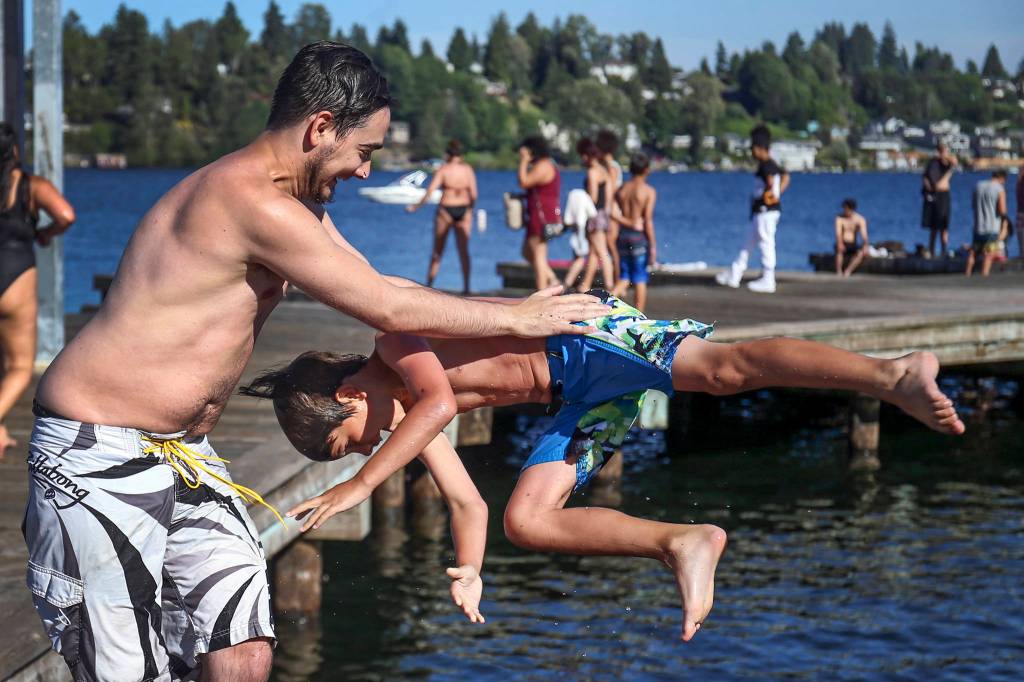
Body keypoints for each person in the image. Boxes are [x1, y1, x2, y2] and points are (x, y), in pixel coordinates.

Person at [22, 42, 609, 682]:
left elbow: (381, 284)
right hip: (96, 451)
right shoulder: (247, 201)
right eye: (365, 152)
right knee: (122, 670)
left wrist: (513, 308)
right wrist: (514, 321)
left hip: (183, 453)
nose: (363, 172)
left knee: (243, 649)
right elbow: (385, 309)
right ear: (320, 127)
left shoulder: (295, 203)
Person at [245, 291, 964, 643]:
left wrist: (363, 484)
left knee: (723, 372)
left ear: (347, 397)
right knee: (527, 520)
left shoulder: (396, 341)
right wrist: (471, 566)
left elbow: (436, 401)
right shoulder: (411, 421)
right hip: (577, 402)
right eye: (361, 456)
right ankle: (681, 541)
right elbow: (470, 506)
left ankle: (889, 373)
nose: (371, 451)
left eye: (353, 442)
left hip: (584, 343)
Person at [0, 123, 75, 457]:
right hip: (14, 281)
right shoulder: (30, 186)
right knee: (18, 367)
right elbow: (66, 214)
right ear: (14, 151)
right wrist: (44, 234)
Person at [715, 125, 789, 294]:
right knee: (747, 244)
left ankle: (768, 278)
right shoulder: (771, 165)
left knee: (766, 242)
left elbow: (772, 183)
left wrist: (770, 196)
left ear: (760, 148)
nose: (752, 152)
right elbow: (785, 178)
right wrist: (775, 193)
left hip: (766, 211)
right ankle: (735, 274)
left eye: (753, 148)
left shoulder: (767, 166)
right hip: (761, 211)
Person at [407, 139, 477, 294]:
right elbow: (474, 194)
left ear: (448, 154)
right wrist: (470, 211)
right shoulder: (467, 170)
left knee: (437, 251)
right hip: (464, 210)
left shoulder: (444, 170)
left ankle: (429, 285)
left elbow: (430, 191)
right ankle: (467, 287)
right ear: (461, 154)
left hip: (446, 210)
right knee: (463, 251)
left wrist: (416, 207)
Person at [611, 152, 657, 311]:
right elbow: (648, 221)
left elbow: (613, 213)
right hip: (638, 238)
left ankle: (604, 306)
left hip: (622, 236)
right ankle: (640, 316)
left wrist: (626, 222)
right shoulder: (648, 191)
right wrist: (652, 245)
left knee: (624, 277)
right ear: (646, 170)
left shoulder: (621, 190)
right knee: (640, 278)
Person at [517, 135, 562, 291]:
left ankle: (542, 292)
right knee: (527, 252)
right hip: (542, 214)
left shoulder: (543, 166)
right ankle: (553, 281)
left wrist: (523, 161)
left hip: (542, 216)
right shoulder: (547, 165)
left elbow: (524, 182)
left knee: (538, 254)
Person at [575, 138, 616, 292]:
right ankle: (585, 285)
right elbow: (609, 196)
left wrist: (580, 201)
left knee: (602, 252)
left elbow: (592, 197)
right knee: (593, 253)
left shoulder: (592, 172)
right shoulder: (604, 170)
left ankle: (610, 287)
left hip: (594, 215)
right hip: (603, 214)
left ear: (587, 155)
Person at [966, 169, 1009, 277]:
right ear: (1002, 178)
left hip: (978, 227)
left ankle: (967, 274)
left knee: (973, 253)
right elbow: (1002, 211)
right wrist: (1004, 227)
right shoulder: (999, 189)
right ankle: (984, 276)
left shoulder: (978, 186)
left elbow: (972, 206)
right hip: (992, 228)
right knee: (989, 254)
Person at [921, 141, 957, 258]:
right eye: (940, 150)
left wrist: (946, 157)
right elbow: (925, 178)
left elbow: (954, 161)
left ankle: (943, 250)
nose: (942, 152)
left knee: (944, 225)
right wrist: (929, 188)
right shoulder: (933, 163)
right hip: (935, 195)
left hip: (944, 195)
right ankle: (932, 250)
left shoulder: (948, 163)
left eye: (944, 150)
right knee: (934, 226)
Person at [596, 129, 623, 280]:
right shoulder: (609, 165)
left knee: (612, 247)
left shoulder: (611, 167)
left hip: (612, 211)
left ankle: (618, 279)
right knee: (605, 247)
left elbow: (611, 191)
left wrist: (608, 213)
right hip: (610, 210)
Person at [834, 198, 869, 277]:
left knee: (860, 253)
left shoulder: (860, 219)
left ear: (852, 209)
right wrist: (840, 243)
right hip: (842, 242)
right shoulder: (839, 218)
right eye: (844, 208)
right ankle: (838, 271)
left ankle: (848, 271)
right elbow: (838, 233)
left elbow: (864, 235)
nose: (845, 211)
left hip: (853, 243)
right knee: (839, 251)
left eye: (847, 209)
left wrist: (865, 245)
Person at [1015, 168, 1024, 258]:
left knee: (1020, 231)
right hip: (1021, 210)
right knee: (1020, 231)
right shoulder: (1019, 185)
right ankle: (1022, 253)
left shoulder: (1019, 184)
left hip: (1020, 210)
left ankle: (1022, 253)